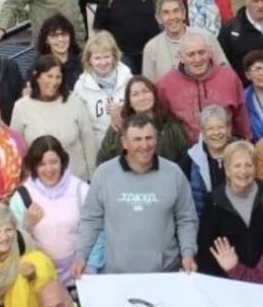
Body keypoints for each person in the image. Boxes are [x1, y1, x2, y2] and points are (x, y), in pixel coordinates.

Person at [72, 114, 198, 276]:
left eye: (149, 138)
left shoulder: (173, 173)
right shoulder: (104, 174)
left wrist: (188, 253)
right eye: (137, 139)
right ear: (124, 143)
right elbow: (91, 220)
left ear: (156, 139)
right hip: (116, 275)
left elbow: (186, 218)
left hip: (165, 273)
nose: (144, 145)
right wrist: (81, 255)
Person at [9, 135, 90, 286]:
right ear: (33, 167)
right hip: (40, 277)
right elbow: (11, 242)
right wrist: (27, 225)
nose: (49, 169)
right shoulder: (22, 196)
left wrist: (89, 267)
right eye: (41, 164)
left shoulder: (81, 189)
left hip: (80, 273)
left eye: (53, 162)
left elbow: (96, 232)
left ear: (62, 161)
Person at [10, 55, 96, 181]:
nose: (54, 82)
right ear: (37, 76)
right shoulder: (21, 107)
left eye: (58, 77)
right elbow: (15, 149)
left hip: (76, 181)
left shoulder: (75, 102)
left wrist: (93, 177)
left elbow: (89, 143)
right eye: (49, 76)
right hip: (38, 184)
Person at [196, 141, 263, 276]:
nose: (243, 171)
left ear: (255, 168)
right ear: (227, 170)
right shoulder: (214, 202)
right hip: (228, 280)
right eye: (237, 166)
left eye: (248, 165)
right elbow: (206, 249)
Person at [157, 30, 250, 143]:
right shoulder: (166, 84)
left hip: (225, 145)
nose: (197, 59)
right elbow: (163, 119)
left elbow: (241, 116)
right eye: (191, 54)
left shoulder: (229, 77)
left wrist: (246, 141)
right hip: (186, 152)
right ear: (181, 57)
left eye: (201, 52)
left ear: (210, 52)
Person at [95, 75, 190, 168]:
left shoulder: (170, 126)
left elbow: (184, 159)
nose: (142, 97)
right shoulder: (118, 127)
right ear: (129, 101)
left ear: (154, 94)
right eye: (135, 94)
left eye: (146, 91)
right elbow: (102, 160)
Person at [141, 0, 225, 84]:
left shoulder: (205, 37)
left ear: (184, 13)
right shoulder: (151, 48)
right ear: (158, 18)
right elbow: (149, 86)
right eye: (166, 13)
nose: (172, 17)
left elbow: (225, 71)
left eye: (176, 11)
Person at [71, 29, 132, 140]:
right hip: (97, 144)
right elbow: (78, 123)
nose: (103, 63)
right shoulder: (81, 86)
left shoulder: (128, 78)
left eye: (107, 57)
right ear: (89, 60)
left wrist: (123, 111)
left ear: (114, 57)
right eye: (97, 58)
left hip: (126, 139)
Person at [187, 105, 235, 214]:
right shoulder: (191, 158)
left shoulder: (240, 152)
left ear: (228, 129)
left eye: (220, 127)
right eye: (210, 128)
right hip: (205, 220)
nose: (216, 132)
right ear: (203, 132)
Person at [35, 12, 84, 91]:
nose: (60, 39)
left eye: (64, 34)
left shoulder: (82, 62)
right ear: (46, 40)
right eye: (54, 36)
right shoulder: (38, 67)